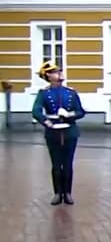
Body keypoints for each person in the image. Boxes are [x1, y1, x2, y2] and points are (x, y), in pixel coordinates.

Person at [31, 61, 85, 205]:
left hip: (69, 131)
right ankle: (57, 193)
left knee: (67, 164)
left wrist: (69, 114)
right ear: (48, 76)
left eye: (59, 71)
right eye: (55, 72)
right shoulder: (44, 93)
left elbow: (80, 111)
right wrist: (46, 122)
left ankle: (67, 193)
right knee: (56, 164)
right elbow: (36, 111)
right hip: (53, 131)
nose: (59, 73)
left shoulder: (70, 92)